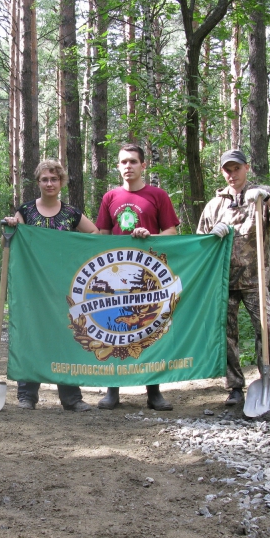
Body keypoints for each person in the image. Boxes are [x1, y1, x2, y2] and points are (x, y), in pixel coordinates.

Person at [197, 149, 270, 412]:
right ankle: (234, 388)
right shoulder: (214, 205)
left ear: (247, 168)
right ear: (222, 172)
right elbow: (200, 245)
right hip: (224, 282)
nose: (232, 174)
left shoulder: (261, 195)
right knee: (228, 335)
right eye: (227, 170)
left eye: (237, 169)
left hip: (255, 280)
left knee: (266, 332)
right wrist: (212, 238)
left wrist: (266, 200)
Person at [4, 159, 98, 412]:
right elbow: (13, 241)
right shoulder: (25, 211)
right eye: (44, 179)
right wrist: (11, 226)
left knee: (65, 334)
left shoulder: (71, 213)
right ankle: (27, 396)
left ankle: (71, 398)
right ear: (38, 182)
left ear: (61, 182)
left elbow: (94, 233)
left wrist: (73, 250)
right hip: (32, 285)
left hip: (63, 284)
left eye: (54, 179)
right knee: (30, 335)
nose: (49, 183)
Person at [94, 143, 180, 411]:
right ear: (118, 167)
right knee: (115, 328)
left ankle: (154, 392)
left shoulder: (158, 195)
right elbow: (102, 237)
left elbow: (172, 233)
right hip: (117, 274)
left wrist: (150, 237)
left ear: (144, 165)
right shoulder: (110, 197)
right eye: (123, 162)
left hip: (149, 274)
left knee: (149, 327)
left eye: (133, 161)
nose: (128, 166)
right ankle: (113, 390)